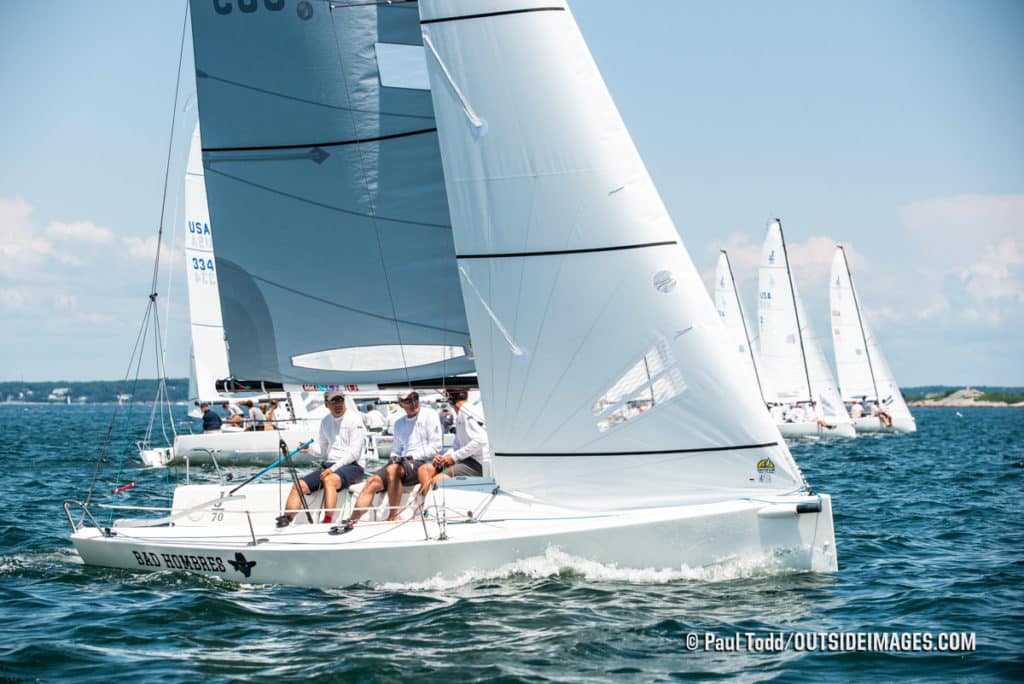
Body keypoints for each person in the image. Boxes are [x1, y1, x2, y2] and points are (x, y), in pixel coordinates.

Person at [335, 391, 441, 533]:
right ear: (401, 404)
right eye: (408, 400)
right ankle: (352, 520)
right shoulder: (399, 424)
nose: (413, 402)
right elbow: (396, 450)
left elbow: (435, 447)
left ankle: (392, 517)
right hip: (402, 464)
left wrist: (408, 457)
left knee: (393, 469)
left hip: (420, 462)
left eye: (415, 398)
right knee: (372, 481)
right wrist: (394, 458)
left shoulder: (429, 414)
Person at [276, 390, 367, 528]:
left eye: (340, 400)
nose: (338, 404)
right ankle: (286, 520)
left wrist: (333, 469)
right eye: (334, 401)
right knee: (298, 486)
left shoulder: (355, 420)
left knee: (329, 480)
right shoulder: (325, 421)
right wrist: (310, 449)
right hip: (330, 466)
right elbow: (323, 450)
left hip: (354, 466)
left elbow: (354, 453)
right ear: (326, 404)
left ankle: (328, 520)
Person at [431, 389, 489, 485]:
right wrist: (443, 457)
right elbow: (457, 445)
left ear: (448, 396)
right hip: (467, 461)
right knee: (427, 470)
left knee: (437, 481)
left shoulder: (467, 411)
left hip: (478, 464)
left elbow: (481, 440)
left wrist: (454, 457)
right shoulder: (461, 413)